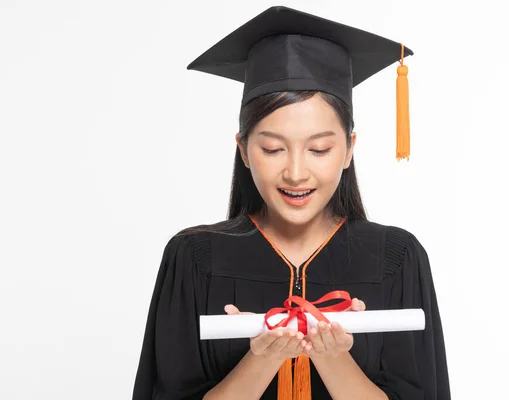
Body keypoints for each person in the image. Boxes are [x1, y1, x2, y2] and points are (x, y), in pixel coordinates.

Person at [132, 5, 451, 400]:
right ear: (244, 150)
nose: (296, 173)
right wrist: (262, 359)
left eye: (319, 149)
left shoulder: (397, 259)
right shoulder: (195, 259)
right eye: (273, 148)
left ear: (349, 149)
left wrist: (332, 358)